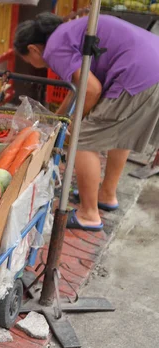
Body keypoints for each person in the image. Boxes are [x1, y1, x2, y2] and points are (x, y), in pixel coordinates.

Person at [13, 13, 159, 231]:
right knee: (122, 133)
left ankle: (89, 215)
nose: (33, 65)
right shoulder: (69, 31)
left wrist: (75, 124)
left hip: (136, 74)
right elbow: (81, 88)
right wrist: (57, 120)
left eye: (27, 60)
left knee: (81, 139)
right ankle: (106, 195)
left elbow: (91, 90)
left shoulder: (53, 47)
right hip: (151, 68)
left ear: (33, 49)